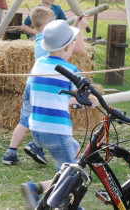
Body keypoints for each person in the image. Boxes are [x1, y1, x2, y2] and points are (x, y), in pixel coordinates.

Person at [20, 17, 89, 208]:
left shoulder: (39, 63)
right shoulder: (70, 69)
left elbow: (32, 92)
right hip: (57, 131)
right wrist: (84, 100)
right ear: (68, 48)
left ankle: (37, 188)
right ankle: (68, 204)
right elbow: (86, 92)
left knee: (75, 149)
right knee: (71, 178)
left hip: (36, 129)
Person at [2, 6, 54, 165]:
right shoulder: (47, 41)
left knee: (25, 121)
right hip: (42, 88)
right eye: (52, 22)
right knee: (48, 118)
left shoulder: (38, 39)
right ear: (46, 26)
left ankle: (10, 152)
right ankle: (36, 145)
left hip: (31, 85)